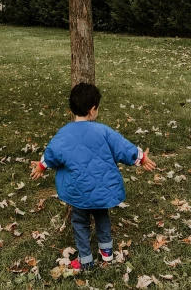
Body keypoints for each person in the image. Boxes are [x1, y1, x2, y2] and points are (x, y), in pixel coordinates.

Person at [30, 82, 157, 270]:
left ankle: (85, 259)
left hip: (78, 191)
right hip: (101, 190)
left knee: (80, 222)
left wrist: (41, 167)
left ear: (71, 109)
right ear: (92, 110)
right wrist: (141, 157)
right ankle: (106, 253)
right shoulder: (103, 131)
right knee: (102, 216)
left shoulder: (64, 134)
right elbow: (123, 147)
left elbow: (52, 154)